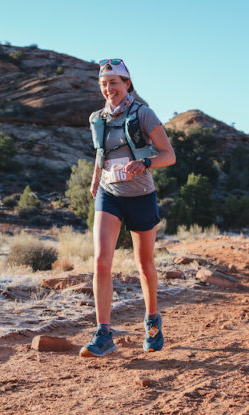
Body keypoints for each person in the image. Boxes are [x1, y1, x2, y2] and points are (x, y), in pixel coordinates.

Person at [79, 58, 176, 357]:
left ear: (127, 84)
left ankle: (152, 321)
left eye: (114, 83)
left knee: (145, 264)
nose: (109, 89)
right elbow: (101, 153)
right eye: (104, 85)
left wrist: (145, 163)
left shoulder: (143, 114)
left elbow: (169, 155)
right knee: (101, 261)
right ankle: (103, 333)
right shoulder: (98, 118)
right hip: (109, 194)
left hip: (141, 196)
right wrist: (96, 180)